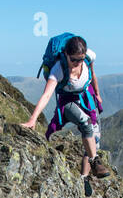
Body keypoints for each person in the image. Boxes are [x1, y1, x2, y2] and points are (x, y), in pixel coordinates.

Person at [21, 35, 109, 178]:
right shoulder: (59, 69)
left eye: (80, 59)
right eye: (73, 59)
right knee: (86, 123)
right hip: (67, 101)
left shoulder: (89, 57)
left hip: (86, 96)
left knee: (94, 138)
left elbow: (92, 74)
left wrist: (97, 94)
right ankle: (95, 161)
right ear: (66, 54)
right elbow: (46, 95)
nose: (77, 63)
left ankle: (85, 177)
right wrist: (33, 119)